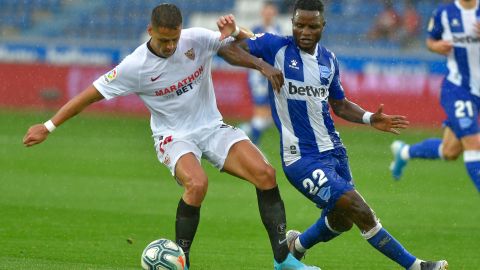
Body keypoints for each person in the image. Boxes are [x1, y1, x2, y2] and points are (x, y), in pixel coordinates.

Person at [22, 4, 320, 270]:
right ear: (150, 31)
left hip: (211, 127)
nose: (170, 46)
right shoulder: (134, 66)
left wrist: (261, 65)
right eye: (164, 40)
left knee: (266, 174)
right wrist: (48, 126)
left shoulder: (194, 38)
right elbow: (88, 96)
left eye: (174, 39)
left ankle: (283, 260)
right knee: (197, 183)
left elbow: (227, 48)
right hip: (173, 136)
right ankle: (182, 262)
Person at [219, 0, 448, 269]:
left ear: (322, 27)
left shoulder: (329, 59)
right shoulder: (275, 46)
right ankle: (417, 266)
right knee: (360, 210)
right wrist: (261, 65)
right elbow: (226, 49)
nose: (305, 31)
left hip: (334, 152)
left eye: (312, 26)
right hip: (301, 160)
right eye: (299, 25)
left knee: (342, 219)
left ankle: (297, 245)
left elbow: (338, 104)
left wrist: (369, 118)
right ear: (292, 24)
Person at [390, 0, 480, 193]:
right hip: (458, 89)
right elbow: (431, 40)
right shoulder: (445, 13)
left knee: (450, 151)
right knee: (474, 143)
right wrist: (437, 46)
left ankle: (404, 152)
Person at [241, 1, 281, 145]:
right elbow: (249, 51)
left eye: (271, 12)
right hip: (259, 77)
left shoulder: (277, 29)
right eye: (267, 12)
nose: (269, 15)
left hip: (271, 75)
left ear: (274, 13)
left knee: (269, 117)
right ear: (262, 13)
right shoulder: (255, 30)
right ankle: (252, 145)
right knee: (261, 113)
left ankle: (245, 132)